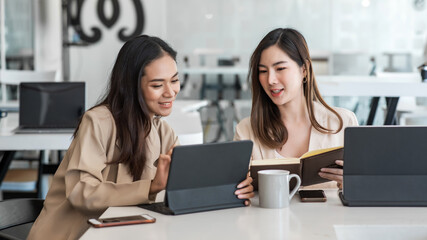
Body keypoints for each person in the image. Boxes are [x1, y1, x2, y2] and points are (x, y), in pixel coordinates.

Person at [28, 35, 254, 240]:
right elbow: (81, 193)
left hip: (123, 232)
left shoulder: (162, 131)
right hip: (76, 234)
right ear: (132, 86)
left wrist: (233, 187)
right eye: (157, 85)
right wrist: (151, 187)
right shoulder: (98, 122)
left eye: (174, 80)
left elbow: (188, 184)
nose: (170, 92)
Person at [234, 28, 358, 189]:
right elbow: (237, 194)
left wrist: (355, 182)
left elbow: (364, 193)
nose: (270, 80)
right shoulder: (246, 130)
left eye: (280, 69)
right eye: (263, 71)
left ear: (304, 70)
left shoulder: (343, 123)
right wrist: (239, 191)